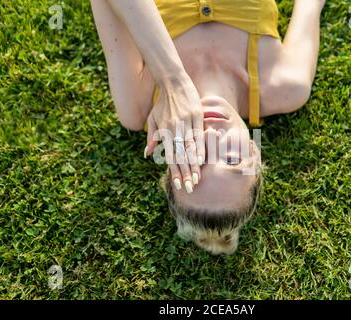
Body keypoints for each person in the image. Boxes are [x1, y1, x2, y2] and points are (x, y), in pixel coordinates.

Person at [91, 0, 326, 254]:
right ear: (254, 153)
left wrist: (170, 79)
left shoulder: (138, 106)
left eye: (197, 158)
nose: (212, 134)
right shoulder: (288, 87)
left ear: (172, 163)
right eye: (232, 158)